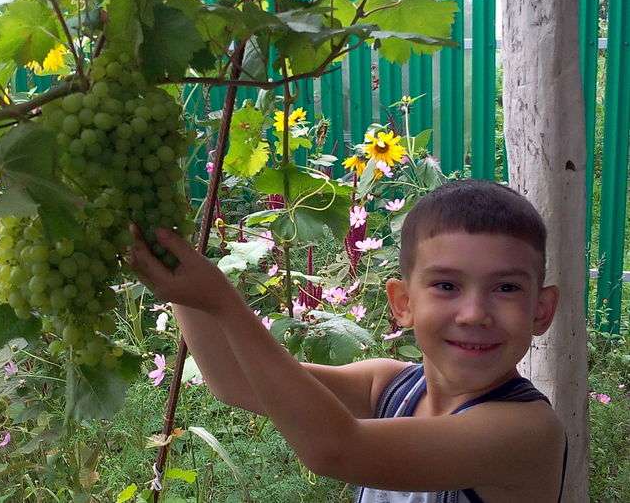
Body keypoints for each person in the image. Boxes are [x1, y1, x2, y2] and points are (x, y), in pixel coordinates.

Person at [128, 179, 569, 503]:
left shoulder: (525, 431)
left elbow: (336, 449)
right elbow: (234, 381)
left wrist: (224, 302)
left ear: (541, 310)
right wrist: (175, 276)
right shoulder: (390, 385)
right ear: (402, 302)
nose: (474, 314)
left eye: (507, 288)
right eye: (447, 287)